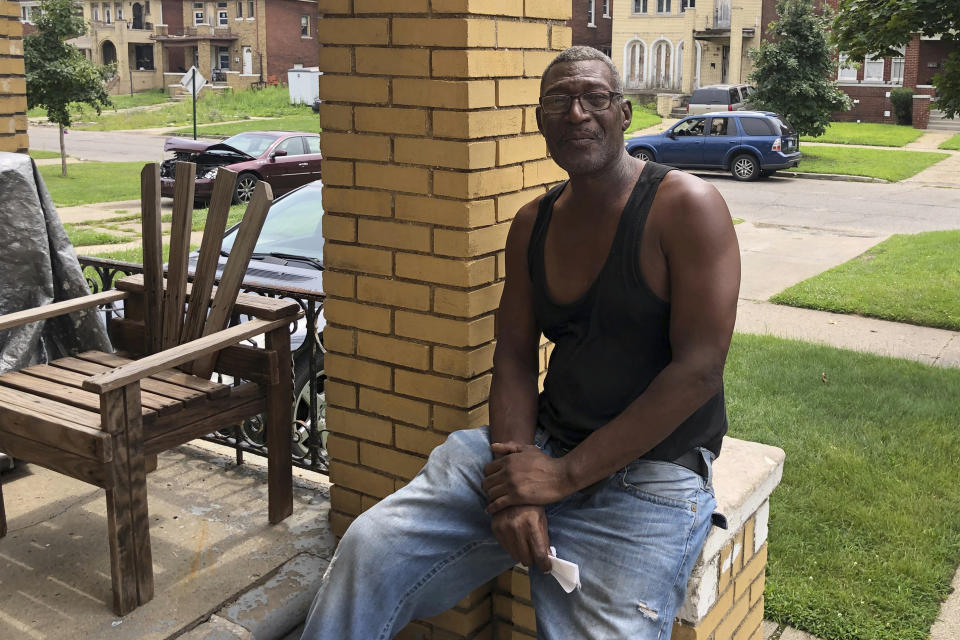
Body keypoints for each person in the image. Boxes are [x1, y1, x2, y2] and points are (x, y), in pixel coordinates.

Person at [301, 46, 740, 640]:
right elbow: (511, 355)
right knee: (370, 547)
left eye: (594, 97)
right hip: (541, 445)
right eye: (558, 100)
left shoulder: (686, 207)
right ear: (540, 121)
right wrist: (515, 479)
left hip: (651, 475)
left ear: (625, 114)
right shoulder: (534, 223)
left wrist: (561, 479)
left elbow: (699, 371)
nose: (577, 113)